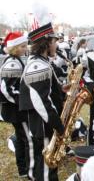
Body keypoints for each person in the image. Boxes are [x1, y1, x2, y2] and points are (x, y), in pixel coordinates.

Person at [19, 23, 65, 181]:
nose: (56, 44)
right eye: (54, 40)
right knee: (47, 166)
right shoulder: (38, 65)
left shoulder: (40, 61)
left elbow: (47, 90)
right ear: (46, 43)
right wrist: (58, 125)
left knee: (45, 164)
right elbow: (41, 102)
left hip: (42, 122)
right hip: (43, 124)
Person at [0, 32, 29, 178]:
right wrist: (22, 101)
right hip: (16, 110)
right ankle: (26, 169)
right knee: (25, 139)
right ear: (15, 47)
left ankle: (23, 169)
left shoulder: (15, 60)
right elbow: (6, 89)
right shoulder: (12, 62)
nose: (25, 48)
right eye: (23, 46)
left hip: (16, 109)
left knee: (21, 138)